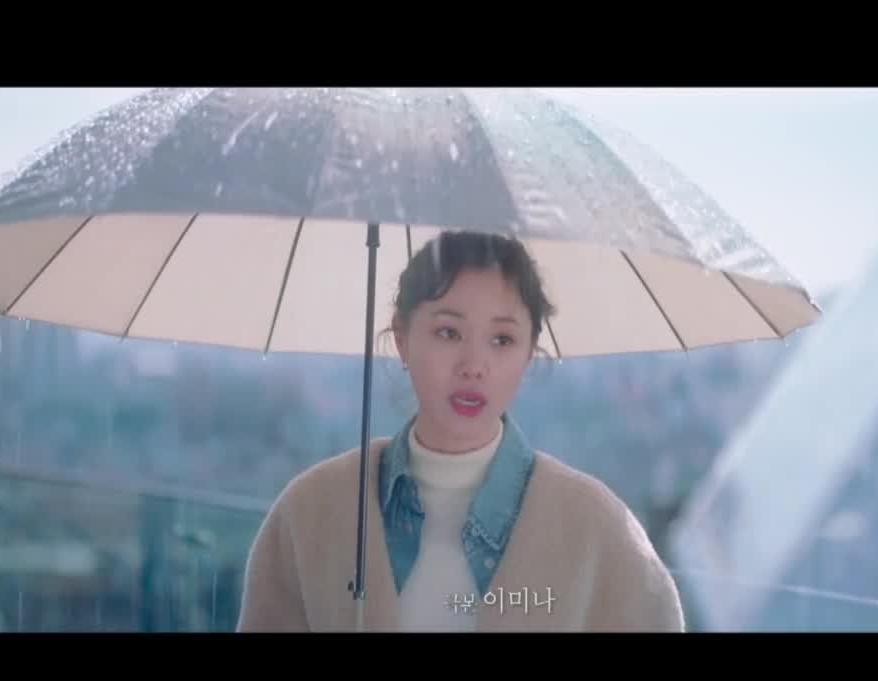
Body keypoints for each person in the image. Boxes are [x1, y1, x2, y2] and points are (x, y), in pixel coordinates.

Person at [236, 229, 685, 632]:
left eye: (502, 340)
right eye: (449, 332)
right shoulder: (310, 512)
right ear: (402, 337)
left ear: (529, 352)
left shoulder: (598, 531)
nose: (474, 366)